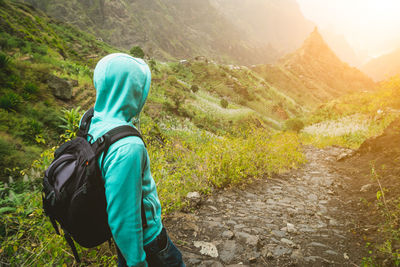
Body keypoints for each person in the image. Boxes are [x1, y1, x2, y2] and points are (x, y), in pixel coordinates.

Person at [85, 53, 185, 267]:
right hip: (149, 244)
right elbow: (124, 218)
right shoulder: (128, 146)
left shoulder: (94, 122)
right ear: (132, 91)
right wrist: (137, 262)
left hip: (127, 245)